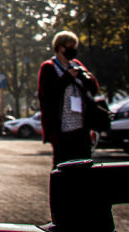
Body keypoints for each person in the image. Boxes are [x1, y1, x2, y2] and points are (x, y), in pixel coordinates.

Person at [37, 31, 100, 167]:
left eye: (74, 47)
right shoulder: (48, 67)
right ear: (60, 47)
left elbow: (93, 89)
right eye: (70, 47)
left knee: (84, 165)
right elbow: (47, 94)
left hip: (81, 126)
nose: (73, 50)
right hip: (61, 129)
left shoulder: (76, 64)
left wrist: (87, 78)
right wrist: (67, 77)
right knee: (62, 166)